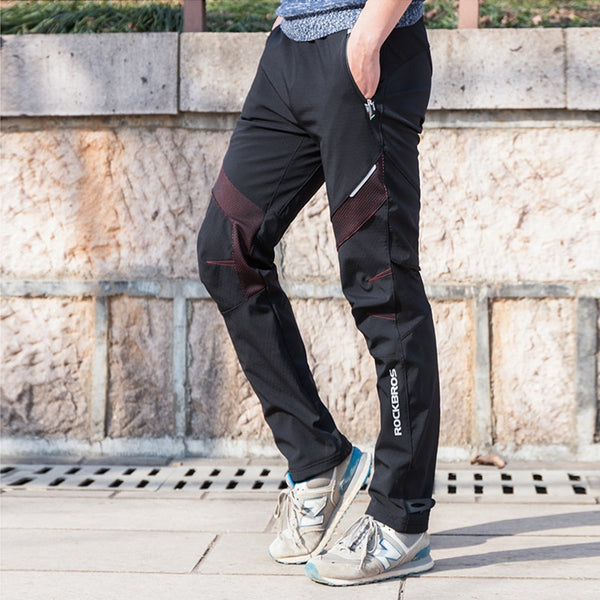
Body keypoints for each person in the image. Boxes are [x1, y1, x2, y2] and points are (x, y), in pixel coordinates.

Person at [197, 0, 440, 586]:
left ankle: (400, 517)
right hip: (290, 53)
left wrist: (366, 38)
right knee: (225, 254)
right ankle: (318, 459)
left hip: (367, 48)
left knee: (381, 284)